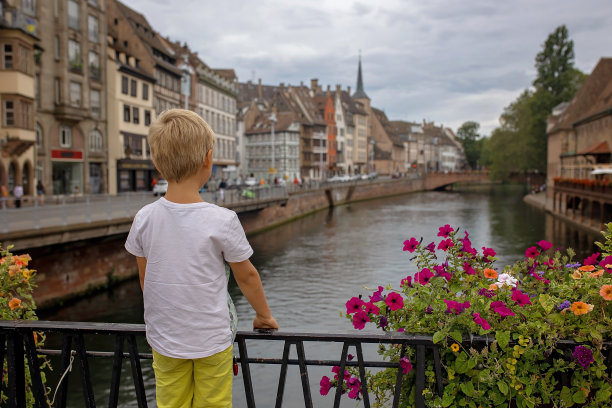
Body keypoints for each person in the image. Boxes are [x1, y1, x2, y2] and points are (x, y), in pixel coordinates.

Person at [124, 109, 278, 408]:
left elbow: (146, 278)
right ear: (208, 160)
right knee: (213, 403)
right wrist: (263, 315)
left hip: (165, 338)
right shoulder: (223, 220)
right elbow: (246, 277)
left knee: (171, 403)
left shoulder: (144, 218)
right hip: (210, 339)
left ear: (156, 162)